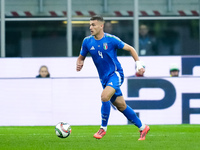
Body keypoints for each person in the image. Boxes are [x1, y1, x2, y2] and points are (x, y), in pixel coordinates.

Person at [76, 15, 150, 140]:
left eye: (93, 25)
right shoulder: (87, 41)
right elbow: (81, 56)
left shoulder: (111, 40)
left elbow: (130, 49)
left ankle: (102, 129)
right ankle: (143, 127)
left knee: (104, 96)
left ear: (101, 26)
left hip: (115, 74)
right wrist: (80, 62)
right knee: (121, 106)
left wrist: (138, 64)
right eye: (90, 25)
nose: (90, 27)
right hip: (104, 79)